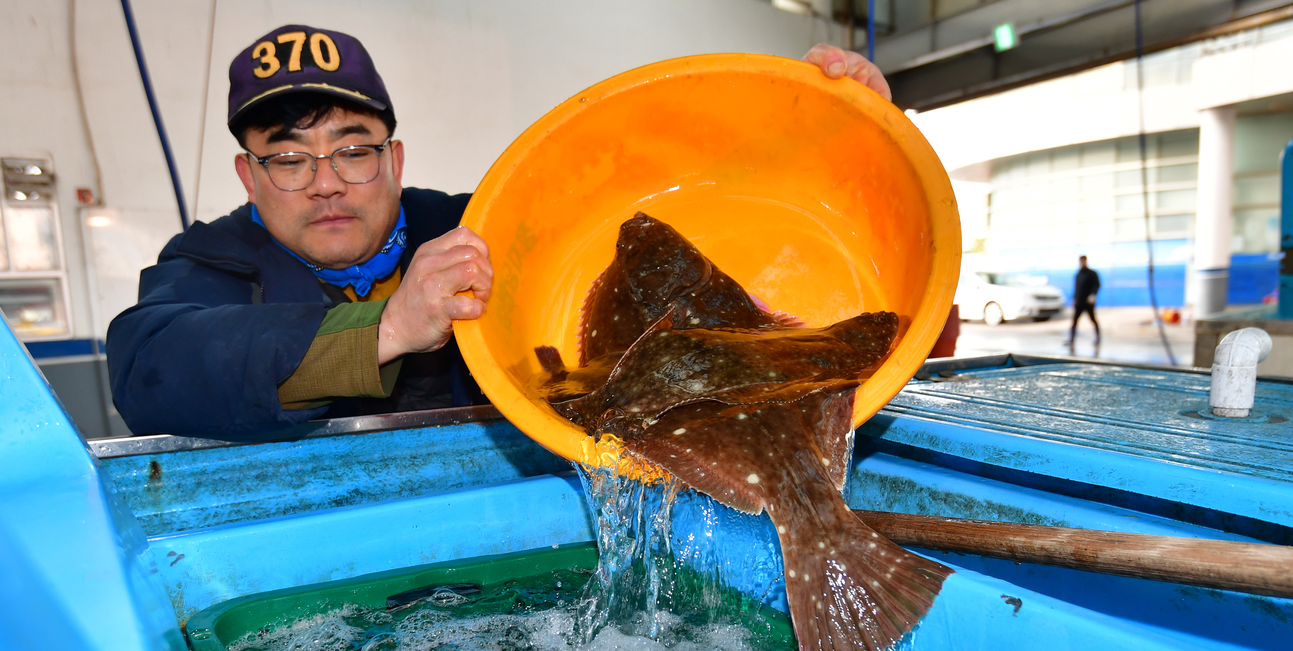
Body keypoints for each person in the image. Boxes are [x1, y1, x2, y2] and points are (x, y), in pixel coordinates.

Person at [106, 27, 892, 439]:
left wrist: (827, 134)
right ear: (247, 178)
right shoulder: (211, 259)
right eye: (287, 158)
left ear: (394, 157)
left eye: (352, 148)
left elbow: (662, 230)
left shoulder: (470, 225)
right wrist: (388, 326)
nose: (325, 181)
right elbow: (150, 366)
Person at [1069, 255, 1101, 347]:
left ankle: (1098, 338)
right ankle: (1071, 340)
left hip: (1088, 302)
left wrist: (1093, 295)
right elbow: (1077, 288)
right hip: (1079, 302)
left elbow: (1097, 285)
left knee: (1093, 320)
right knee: (1074, 321)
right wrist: (1074, 299)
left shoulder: (1092, 273)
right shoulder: (1078, 274)